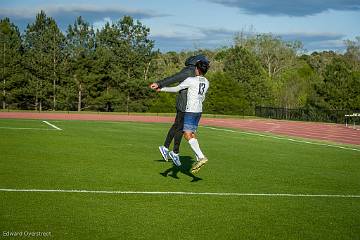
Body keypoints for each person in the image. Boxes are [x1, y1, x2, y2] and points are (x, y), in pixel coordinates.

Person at [149, 55, 210, 167]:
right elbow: (203, 97)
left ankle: (200, 156)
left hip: (190, 110)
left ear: (196, 68)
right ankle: (196, 156)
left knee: (186, 134)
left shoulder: (191, 79)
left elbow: (176, 87)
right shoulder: (206, 82)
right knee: (191, 133)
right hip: (199, 111)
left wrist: (161, 88)